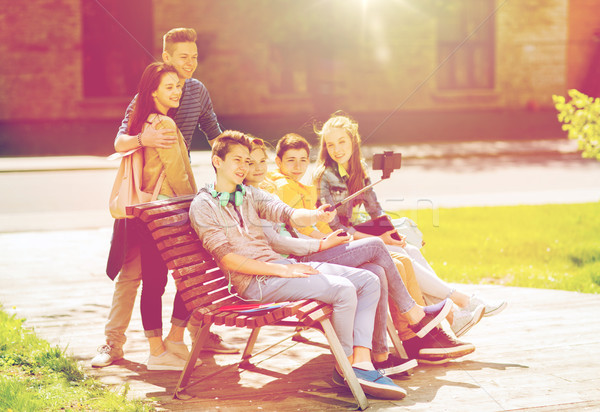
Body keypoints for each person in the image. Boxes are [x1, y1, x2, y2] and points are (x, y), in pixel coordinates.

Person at [189, 131, 452, 400]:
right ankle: (345, 365)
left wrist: (315, 215)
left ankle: (362, 363)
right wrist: (285, 269)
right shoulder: (204, 206)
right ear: (217, 161)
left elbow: (290, 215)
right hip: (255, 282)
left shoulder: (250, 194)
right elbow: (228, 260)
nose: (244, 167)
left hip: (281, 269)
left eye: (247, 161)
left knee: (370, 280)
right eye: (238, 160)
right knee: (343, 289)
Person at [258, 134, 476, 363]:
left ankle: (404, 341)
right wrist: (333, 239)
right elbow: (301, 230)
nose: (298, 166)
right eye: (291, 161)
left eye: (303, 160)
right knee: (380, 249)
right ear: (279, 162)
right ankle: (416, 331)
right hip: (309, 255)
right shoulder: (283, 187)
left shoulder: (300, 187)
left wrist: (338, 236)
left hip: (323, 246)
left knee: (398, 263)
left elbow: (320, 224)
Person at [93, 28, 235, 369]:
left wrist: (239, 155)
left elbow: (213, 132)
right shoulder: (147, 96)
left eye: (195, 57)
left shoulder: (197, 91)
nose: (190, 64)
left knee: (189, 269)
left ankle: (199, 334)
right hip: (148, 195)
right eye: (183, 57)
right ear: (167, 58)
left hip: (177, 190)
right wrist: (145, 138)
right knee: (133, 273)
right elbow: (119, 142)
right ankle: (114, 343)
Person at [313, 112, 508, 338]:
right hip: (336, 246)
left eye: (341, 142)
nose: (336, 149)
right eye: (330, 144)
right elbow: (337, 228)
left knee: (410, 249)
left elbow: (375, 210)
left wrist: (391, 233)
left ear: (353, 141)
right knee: (396, 253)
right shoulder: (324, 176)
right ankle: (463, 302)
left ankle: (454, 316)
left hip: (356, 238)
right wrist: (381, 240)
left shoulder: (357, 171)